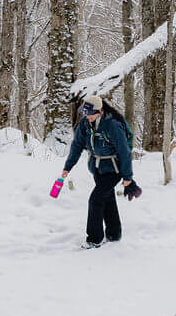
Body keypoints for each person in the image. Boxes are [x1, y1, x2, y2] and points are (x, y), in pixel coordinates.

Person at [58, 95, 140, 247]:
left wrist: (127, 177)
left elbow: (124, 151)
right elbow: (77, 146)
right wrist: (67, 167)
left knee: (95, 200)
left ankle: (94, 239)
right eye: (85, 112)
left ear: (100, 111)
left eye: (90, 113)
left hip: (114, 168)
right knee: (107, 199)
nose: (86, 116)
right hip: (96, 168)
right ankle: (114, 234)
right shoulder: (85, 124)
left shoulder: (112, 125)